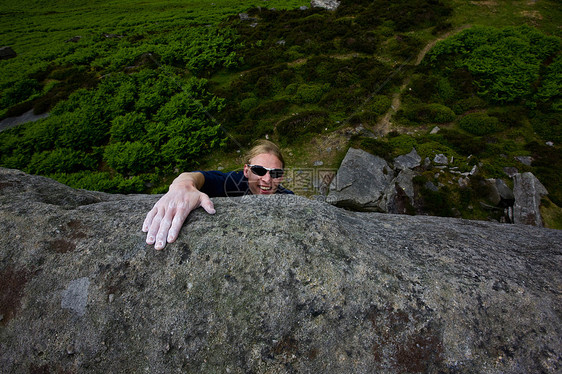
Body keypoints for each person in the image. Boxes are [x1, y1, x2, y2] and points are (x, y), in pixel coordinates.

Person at [142, 140, 293, 250]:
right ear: (246, 171)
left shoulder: (288, 199)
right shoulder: (233, 183)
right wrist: (183, 186)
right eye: (259, 170)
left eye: (275, 173)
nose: (267, 179)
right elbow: (202, 177)